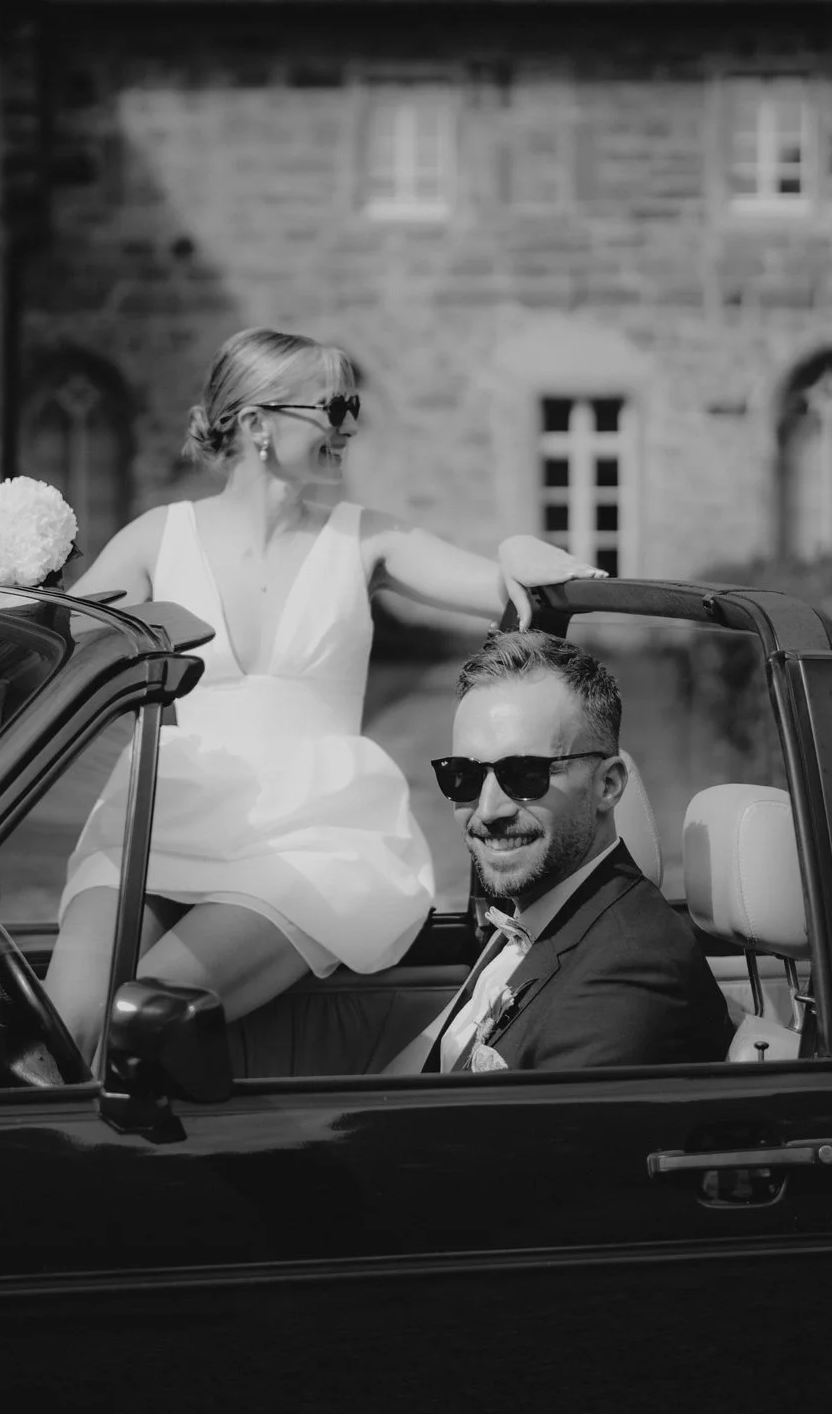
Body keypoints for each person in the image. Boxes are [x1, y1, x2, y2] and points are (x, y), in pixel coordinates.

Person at [39, 327, 605, 1062]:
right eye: (334, 408)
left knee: (146, 1012)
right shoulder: (158, 537)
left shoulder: (366, 538)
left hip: (309, 834)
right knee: (66, 1025)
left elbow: (495, 585)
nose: (350, 426)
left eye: (353, 406)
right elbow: (54, 641)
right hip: (163, 813)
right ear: (258, 423)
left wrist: (518, 553)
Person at [404, 628, 734, 1073]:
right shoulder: (534, 920)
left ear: (608, 785)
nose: (487, 809)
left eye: (525, 774)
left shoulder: (628, 974)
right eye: (463, 775)